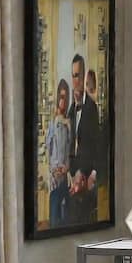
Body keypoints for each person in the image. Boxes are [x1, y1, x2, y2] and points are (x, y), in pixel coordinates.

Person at [68, 53, 100, 224]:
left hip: (87, 179)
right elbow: (70, 145)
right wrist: (71, 174)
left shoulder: (91, 108)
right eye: (74, 76)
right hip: (73, 177)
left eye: (79, 76)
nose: (77, 81)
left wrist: (91, 172)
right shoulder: (71, 111)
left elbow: (96, 144)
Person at [45, 79, 71, 227]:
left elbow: (70, 150)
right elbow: (49, 149)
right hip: (55, 179)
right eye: (61, 97)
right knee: (54, 221)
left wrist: (66, 167)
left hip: (66, 179)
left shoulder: (68, 124)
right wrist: (53, 170)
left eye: (65, 98)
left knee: (66, 220)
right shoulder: (52, 124)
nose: (63, 101)